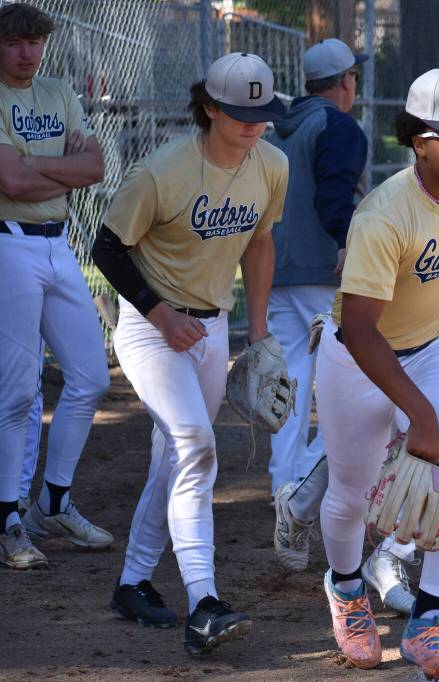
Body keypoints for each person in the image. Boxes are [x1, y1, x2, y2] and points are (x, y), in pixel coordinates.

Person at [91, 52, 288, 654]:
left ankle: (132, 582)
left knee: (172, 459)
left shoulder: (271, 165)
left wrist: (258, 333)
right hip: (151, 328)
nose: (253, 123)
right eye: (239, 112)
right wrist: (159, 313)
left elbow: (258, 244)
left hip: (209, 329)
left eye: (262, 112)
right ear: (208, 107)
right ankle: (205, 602)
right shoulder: (162, 171)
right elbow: (107, 249)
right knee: (195, 446)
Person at [314, 68, 439, 679]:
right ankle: (346, 589)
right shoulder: (383, 214)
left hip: (432, 346)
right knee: (354, 494)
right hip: (358, 358)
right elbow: (363, 328)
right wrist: (418, 412)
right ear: (419, 140)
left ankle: (427, 622)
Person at [0, 2, 111, 570]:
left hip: (57, 241)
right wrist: (52, 167)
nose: (27, 51)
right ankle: (7, 519)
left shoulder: (60, 91)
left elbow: (94, 169)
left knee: (91, 378)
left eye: (35, 41)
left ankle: (53, 501)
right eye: (16, 42)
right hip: (8, 243)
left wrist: (31, 165)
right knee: (17, 392)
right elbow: (8, 180)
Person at [267, 38, 368, 569]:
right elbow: (335, 199)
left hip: (274, 272)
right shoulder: (338, 126)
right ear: (346, 80)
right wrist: (354, 245)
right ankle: (304, 494)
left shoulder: (279, 125)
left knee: (290, 388)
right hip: (324, 275)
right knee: (347, 392)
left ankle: (285, 489)